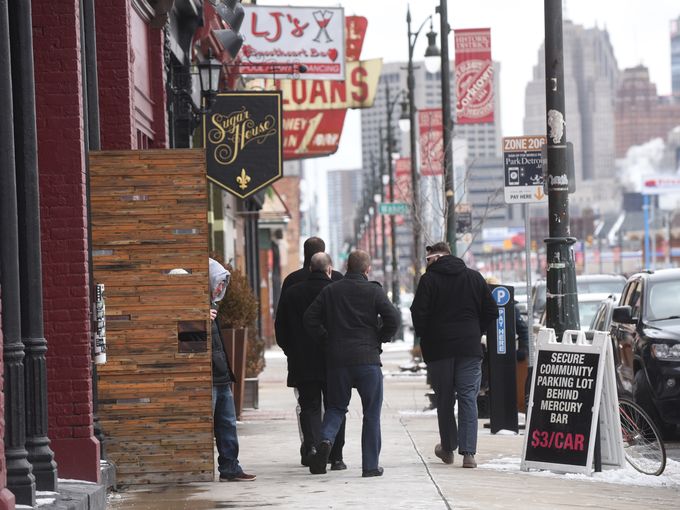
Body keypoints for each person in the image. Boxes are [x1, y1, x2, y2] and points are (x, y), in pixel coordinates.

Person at [303, 250, 400, 477]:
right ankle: (370, 466)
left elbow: (309, 318)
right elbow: (393, 319)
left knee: (336, 407)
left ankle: (326, 440)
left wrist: (326, 338)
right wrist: (380, 337)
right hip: (368, 360)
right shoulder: (374, 291)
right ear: (367, 270)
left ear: (346, 267)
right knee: (371, 413)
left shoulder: (331, 290)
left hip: (338, 360)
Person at [410, 242, 498, 469]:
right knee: (468, 397)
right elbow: (491, 311)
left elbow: (417, 313)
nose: (426, 263)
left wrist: (427, 336)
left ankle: (448, 449)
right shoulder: (474, 277)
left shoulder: (429, 281)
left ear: (436, 257)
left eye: (428, 259)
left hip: (439, 350)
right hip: (469, 348)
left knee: (445, 399)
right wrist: (475, 331)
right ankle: (468, 454)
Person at [274, 253, 347, 470]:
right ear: (329, 270)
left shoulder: (292, 292)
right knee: (336, 406)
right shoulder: (337, 291)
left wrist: (291, 351)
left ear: (309, 268)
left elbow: (281, 327)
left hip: (302, 360)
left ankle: (313, 448)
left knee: (309, 406)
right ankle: (336, 456)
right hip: (333, 359)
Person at [209, 258, 256, 482]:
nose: (221, 289)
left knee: (227, 423)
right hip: (209, 376)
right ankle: (227, 467)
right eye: (218, 283)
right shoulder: (198, 310)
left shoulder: (213, 308)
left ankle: (230, 467)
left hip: (220, 375)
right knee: (220, 423)